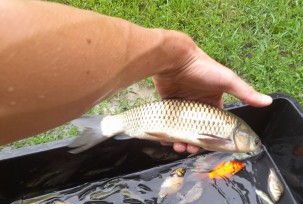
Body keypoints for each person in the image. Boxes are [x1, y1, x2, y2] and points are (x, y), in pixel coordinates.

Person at [0, 0, 272, 153]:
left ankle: (108, 125)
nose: (256, 147)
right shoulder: (229, 137)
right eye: (255, 143)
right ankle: (107, 125)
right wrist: (179, 59)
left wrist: (177, 58)